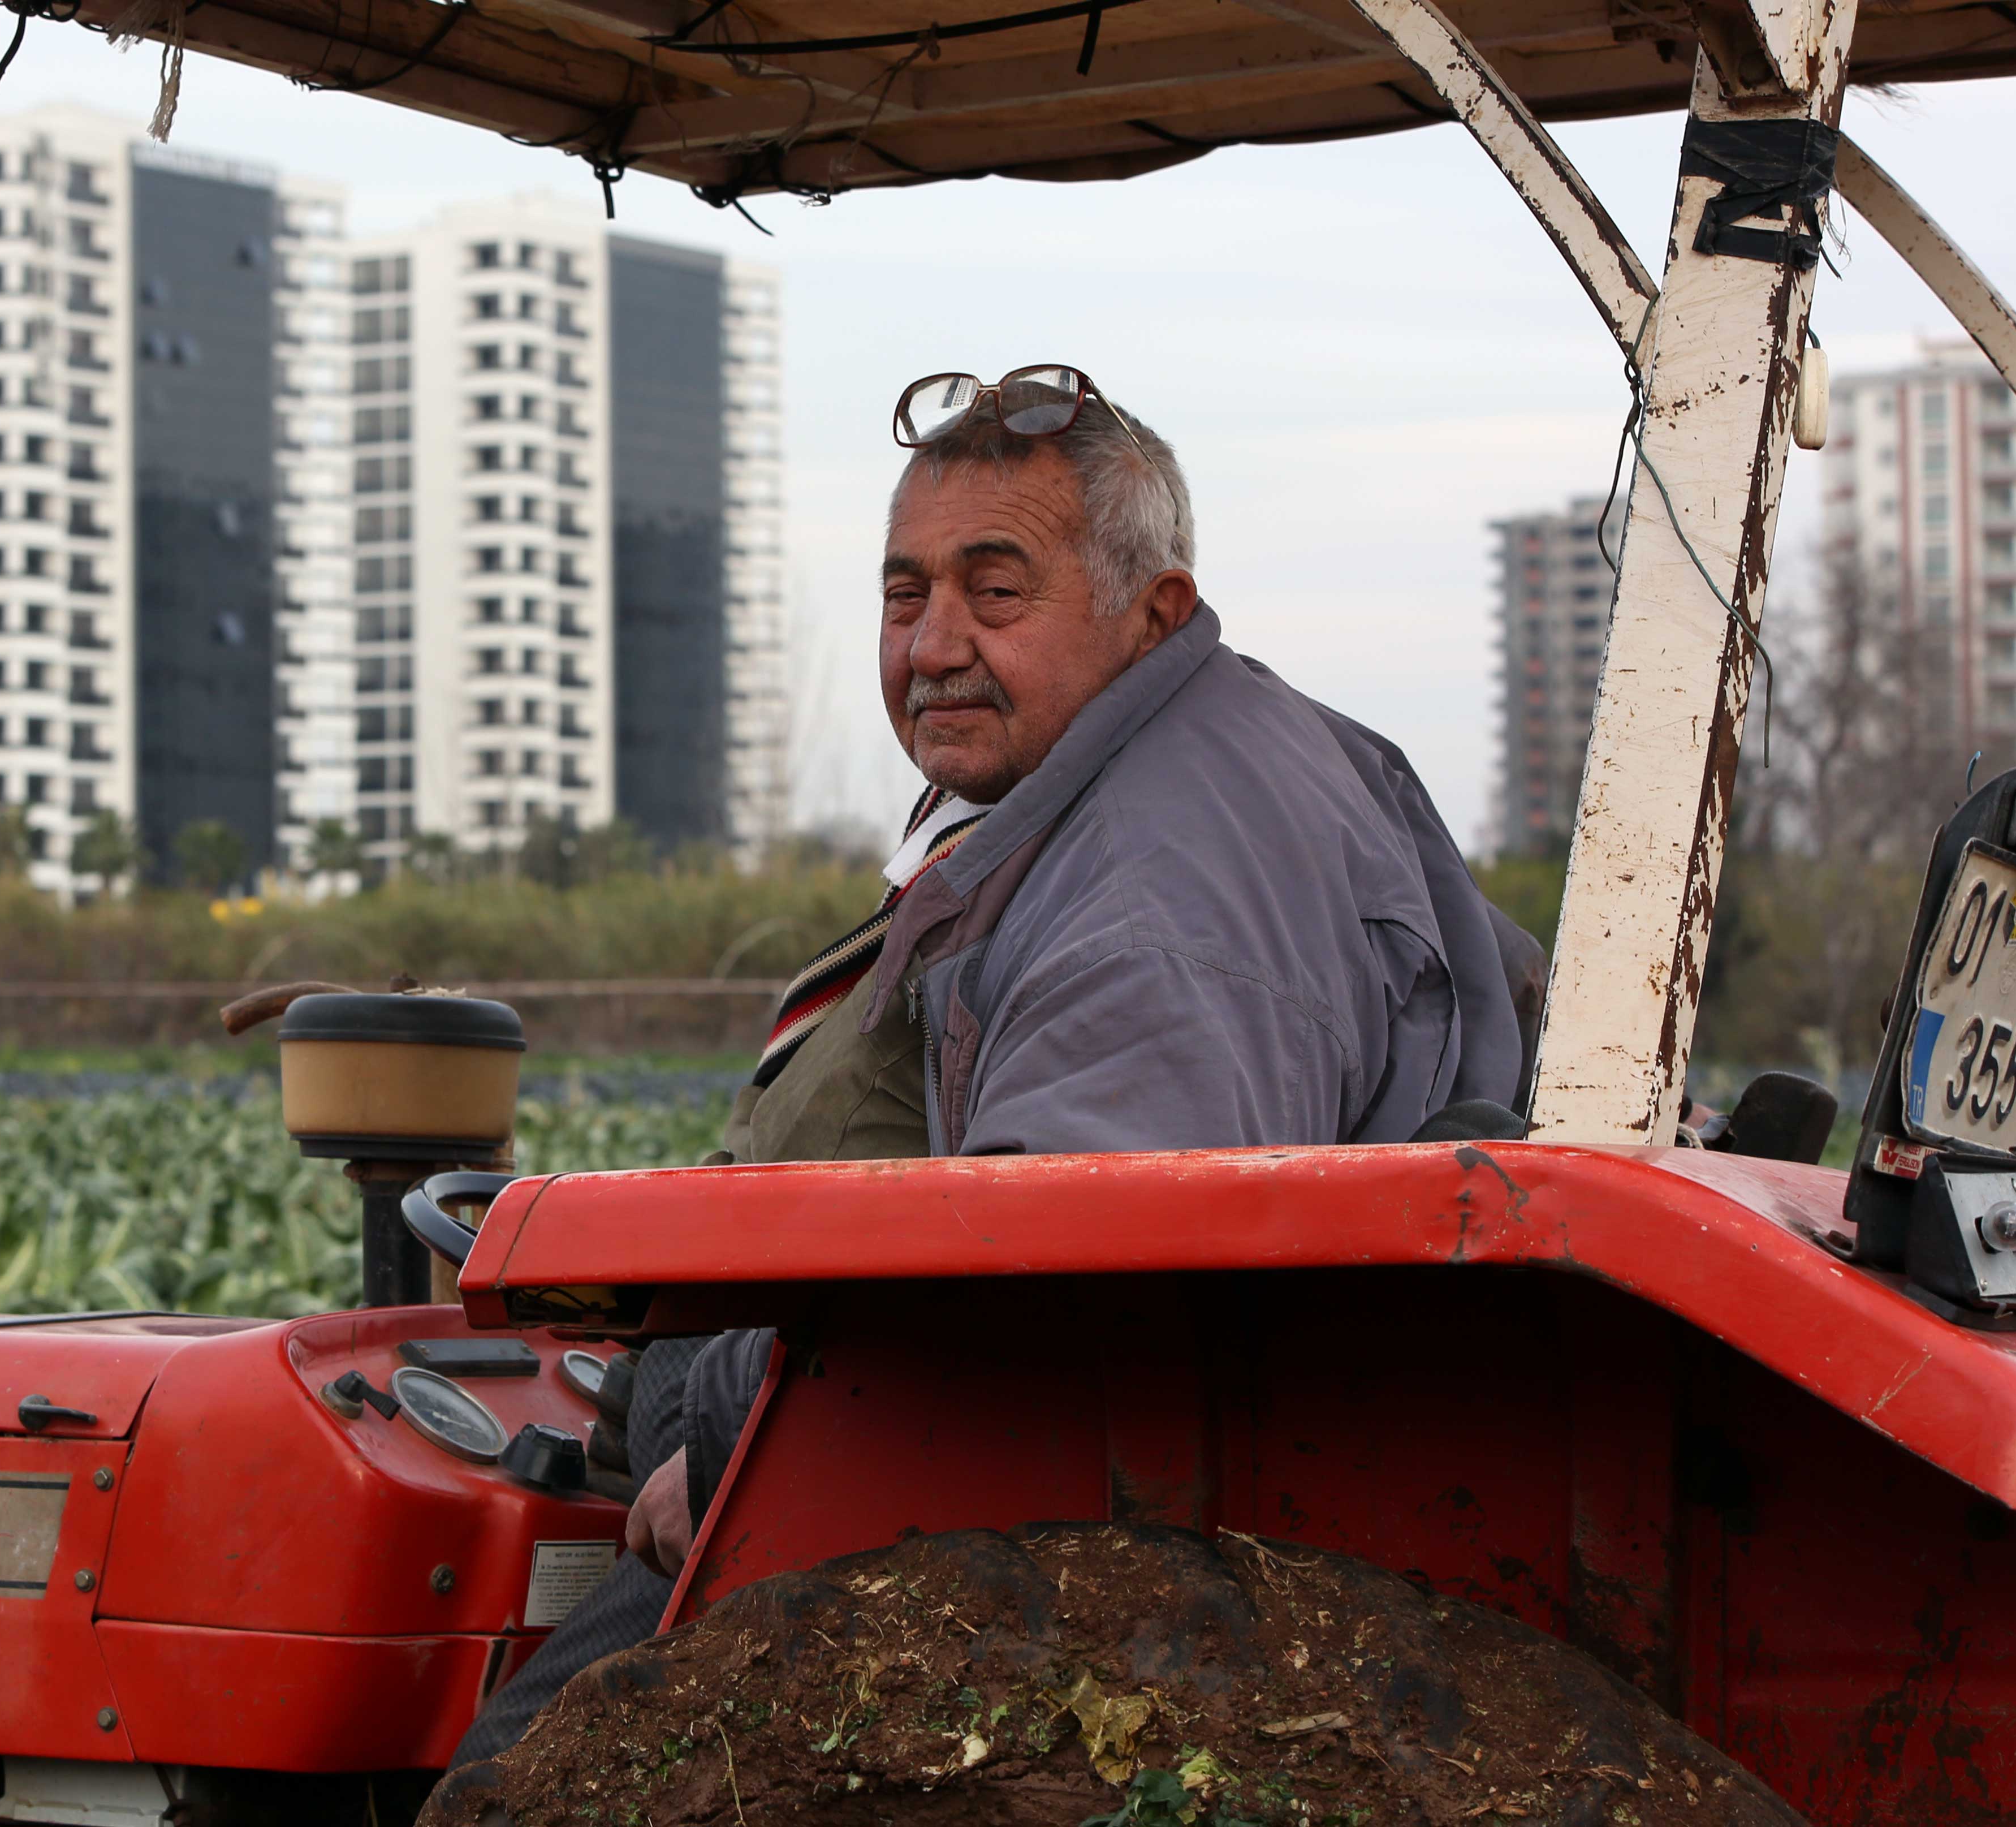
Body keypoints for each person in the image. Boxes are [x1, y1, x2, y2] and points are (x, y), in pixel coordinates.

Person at [450, 363, 1536, 1770]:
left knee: (532, 1769)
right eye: (907, 595)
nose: (934, 643)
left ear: (1154, 611)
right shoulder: (1179, 761)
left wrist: (727, 1449)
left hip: (1039, 1477)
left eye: (996, 588)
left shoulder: (1161, 906)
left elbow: (1040, 1287)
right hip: (956, 1402)